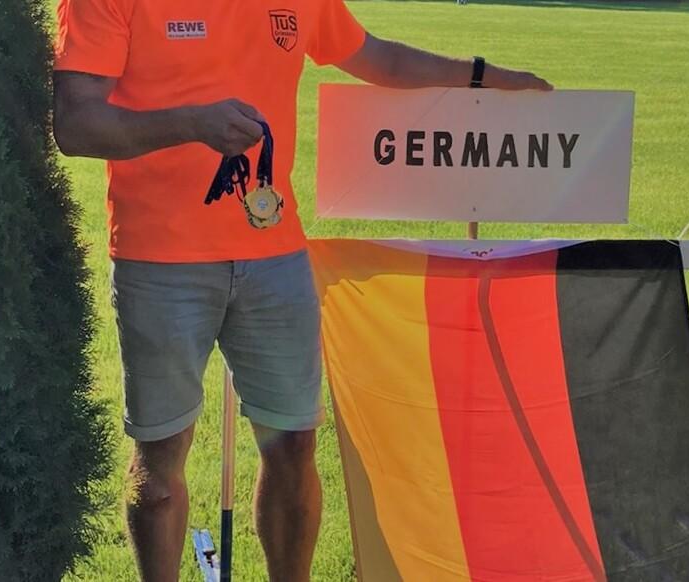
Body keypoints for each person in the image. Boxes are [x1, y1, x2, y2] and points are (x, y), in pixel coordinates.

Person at [52, 1, 551, 580]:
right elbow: (76, 124)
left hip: (275, 258)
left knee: (292, 449)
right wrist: (192, 122)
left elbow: (377, 57)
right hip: (159, 260)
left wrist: (481, 76)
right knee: (160, 470)